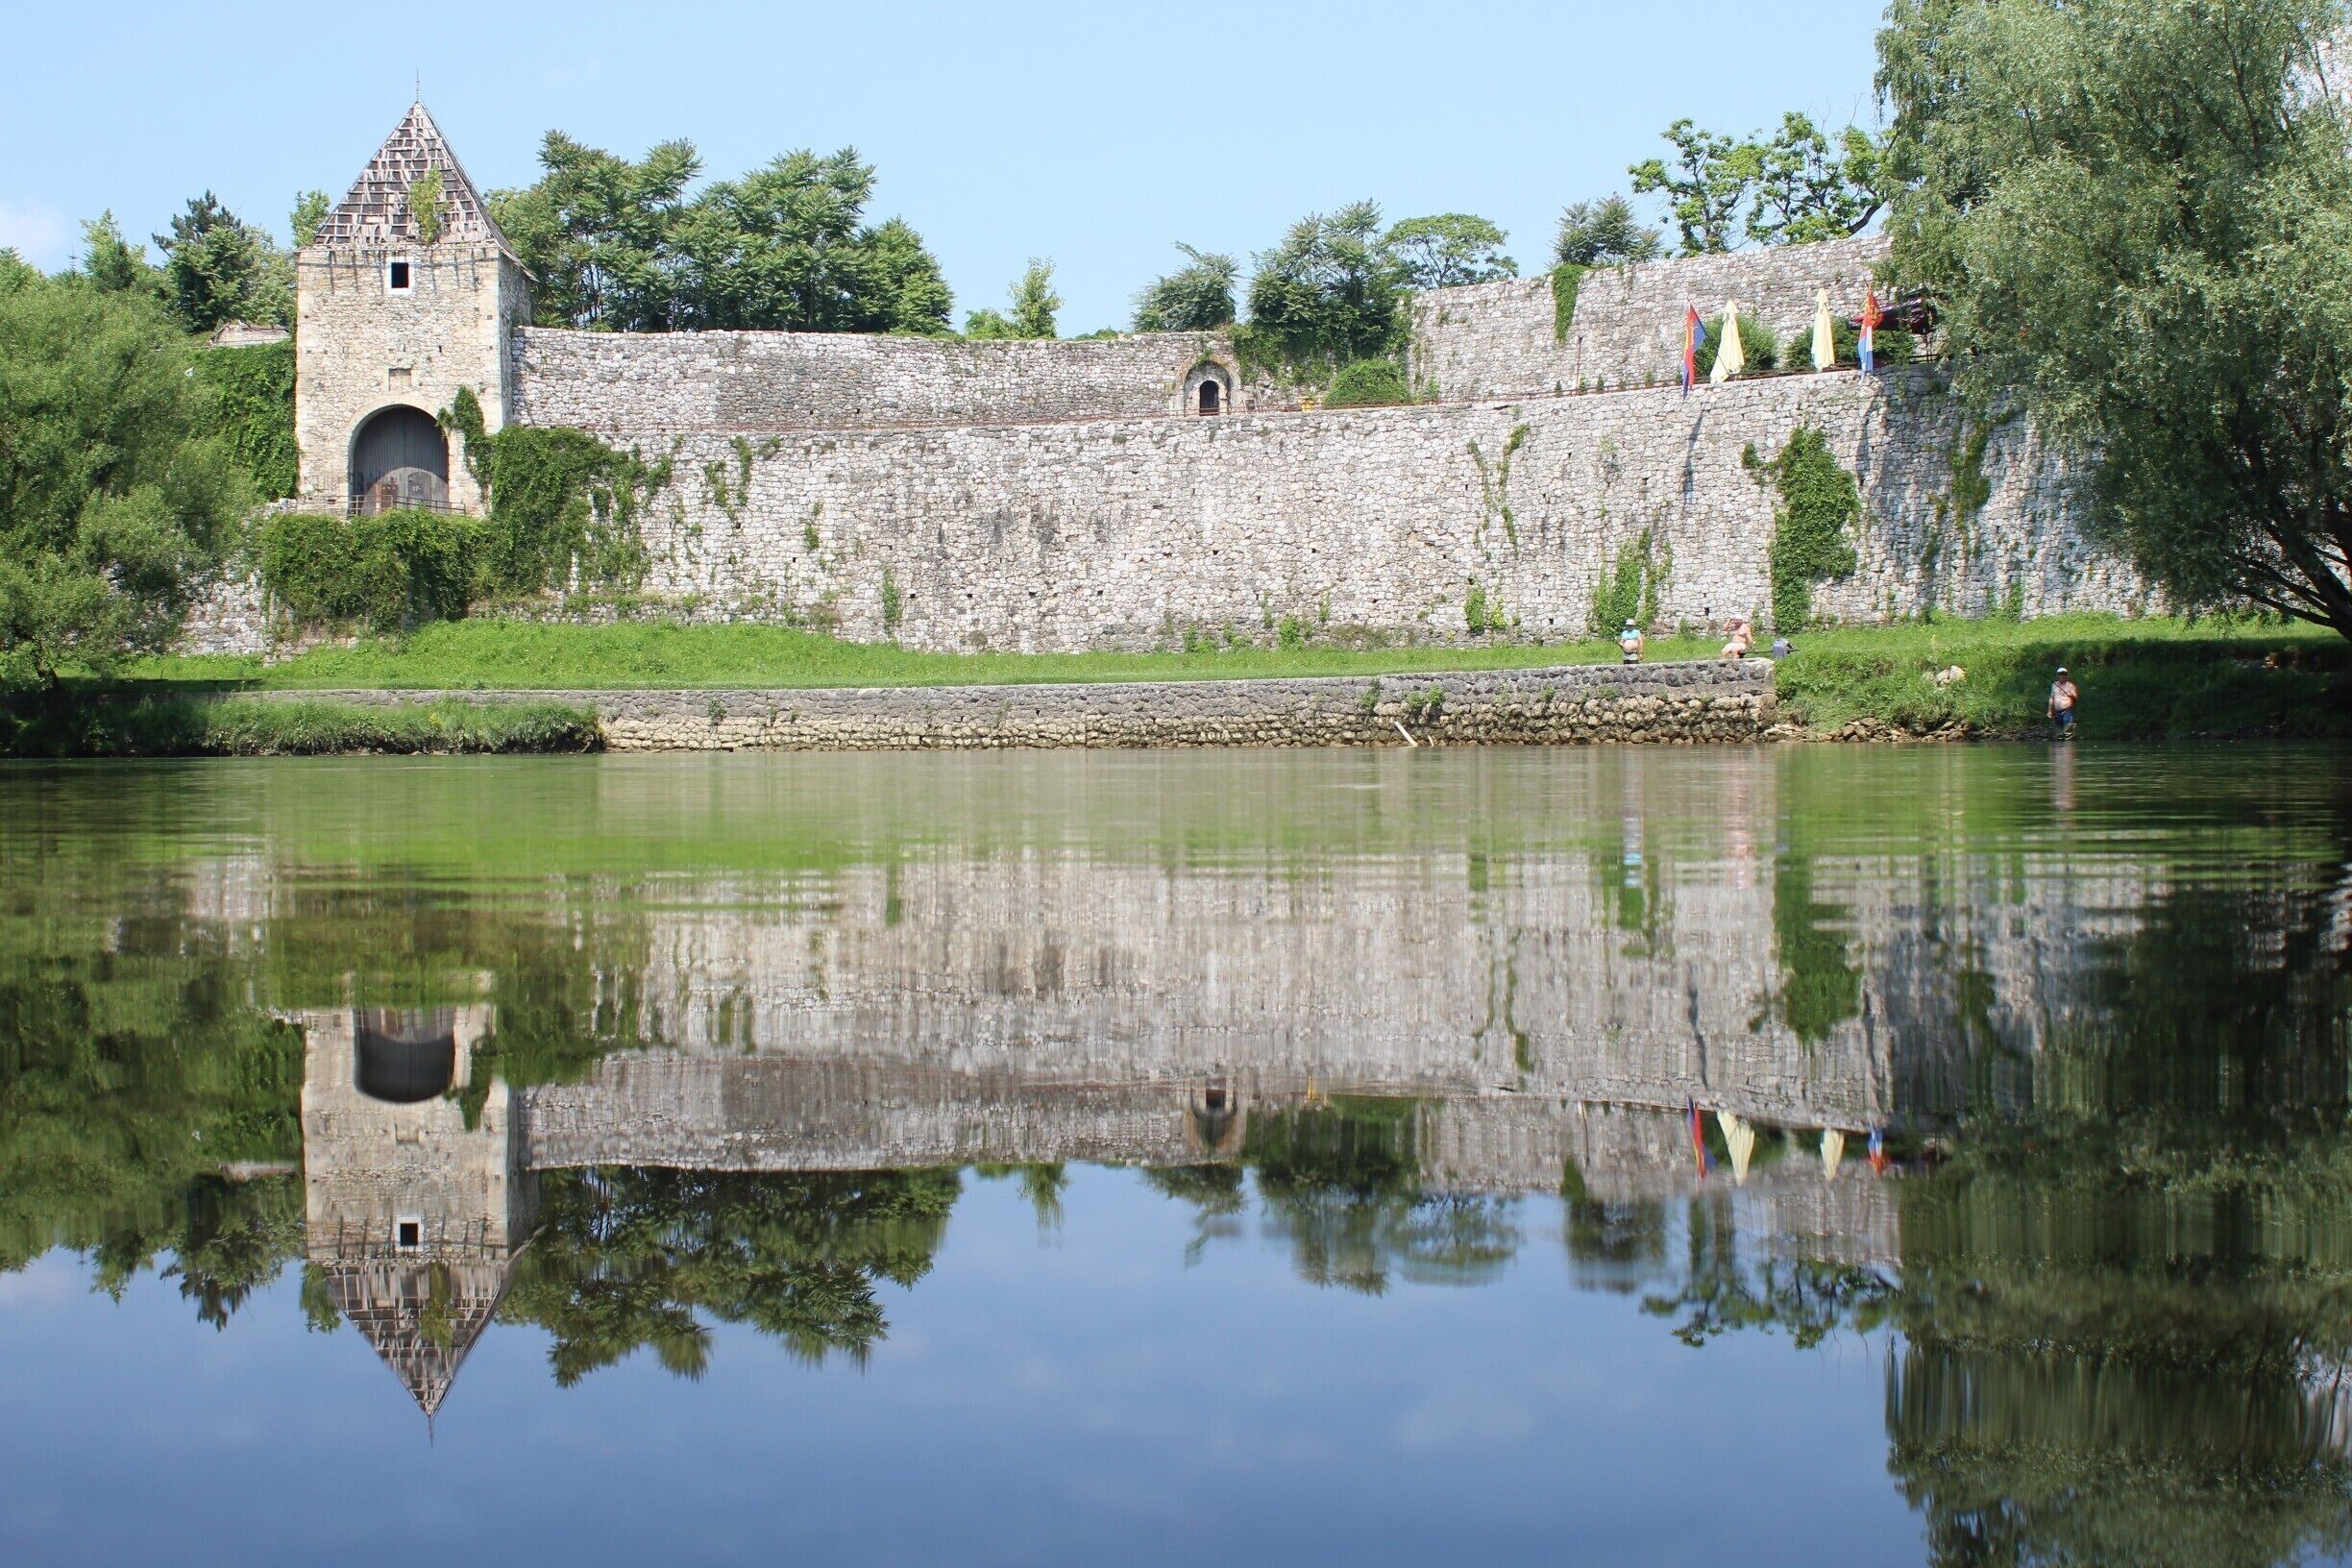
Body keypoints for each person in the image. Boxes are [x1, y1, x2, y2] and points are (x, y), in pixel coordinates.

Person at [2047, 665, 2079, 737]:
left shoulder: (2070, 685)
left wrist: (2071, 694)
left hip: (2067, 711)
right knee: (2059, 734)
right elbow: (2051, 698)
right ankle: (2060, 745)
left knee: (2068, 733)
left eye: (2064, 674)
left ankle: (2069, 744)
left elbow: (2076, 697)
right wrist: (2049, 710)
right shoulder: (2054, 685)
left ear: (2067, 675)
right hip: (2057, 712)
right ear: (2058, 675)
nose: (2063, 676)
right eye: (2061, 674)